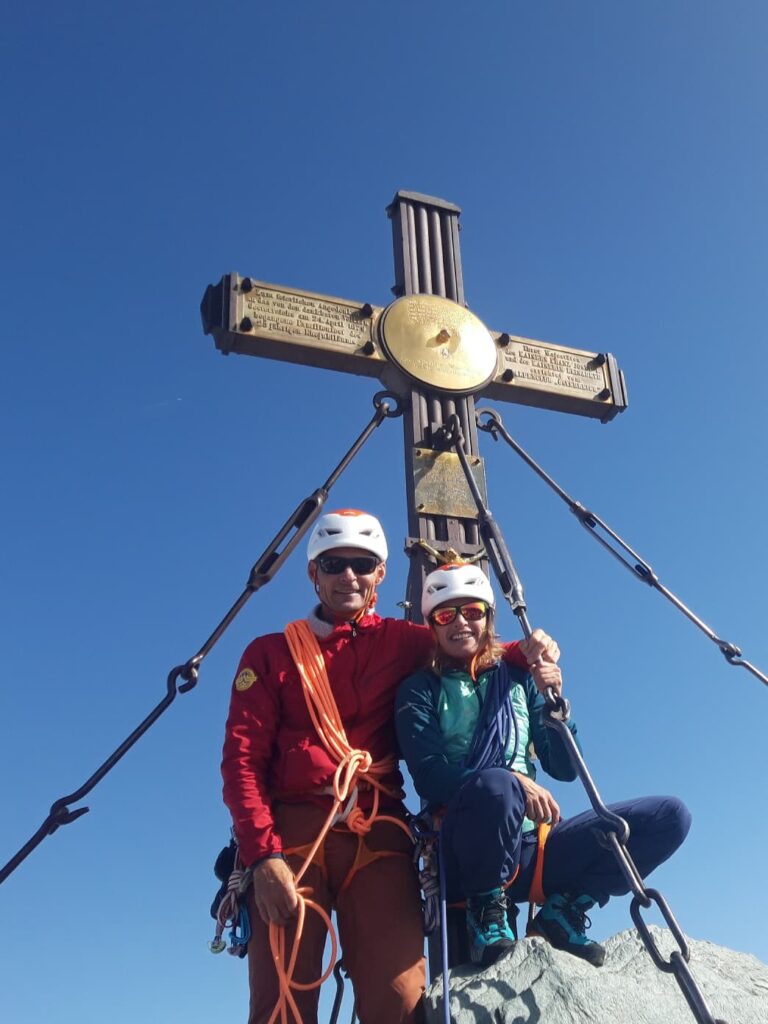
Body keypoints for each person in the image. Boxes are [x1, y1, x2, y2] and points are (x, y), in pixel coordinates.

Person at [221, 510, 559, 1024]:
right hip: (292, 838)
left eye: (362, 564)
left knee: (400, 1001)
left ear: (380, 573)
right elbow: (242, 762)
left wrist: (531, 651)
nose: (348, 576)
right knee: (281, 1006)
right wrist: (262, 857)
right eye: (334, 564)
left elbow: (471, 644)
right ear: (314, 574)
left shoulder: (401, 641)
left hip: (377, 833)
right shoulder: (269, 655)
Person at [395, 563, 691, 970]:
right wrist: (513, 781)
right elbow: (429, 774)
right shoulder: (419, 690)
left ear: (488, 616)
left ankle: (562, 911)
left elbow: (564, 768)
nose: (461, 622)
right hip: (466, 850)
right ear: (431, 624)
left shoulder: (518, 681)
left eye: (473, 611)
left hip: (534, 845)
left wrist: (556, 706)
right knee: (499, 786)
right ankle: (487, 910)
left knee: (668, 817)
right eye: (446, 615)